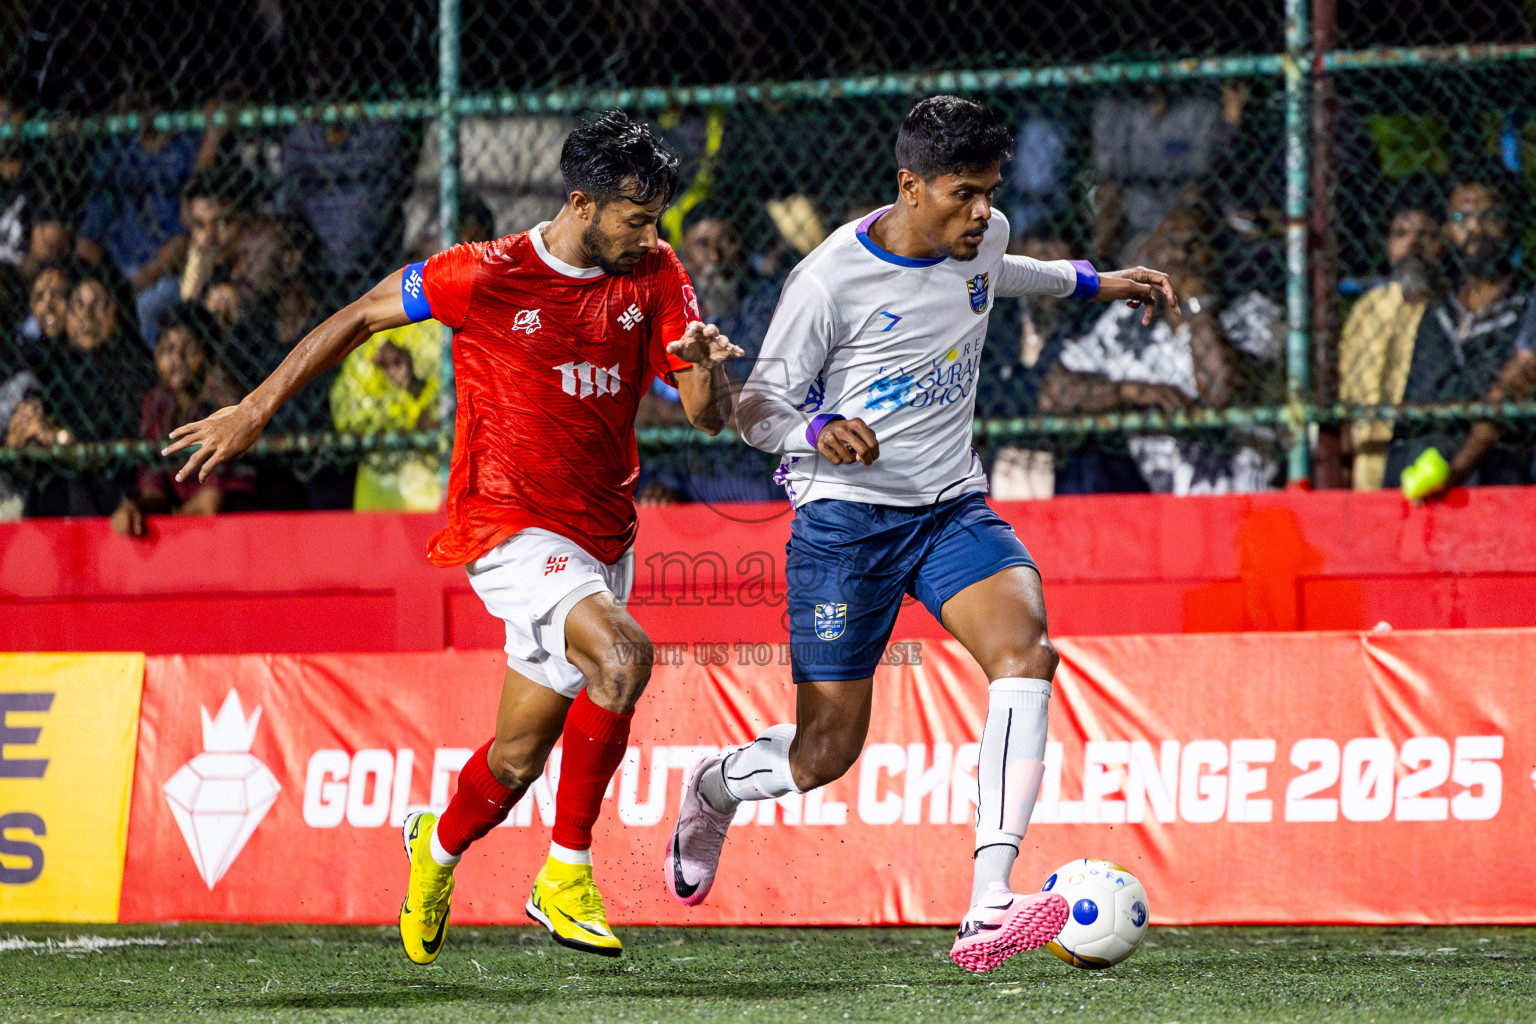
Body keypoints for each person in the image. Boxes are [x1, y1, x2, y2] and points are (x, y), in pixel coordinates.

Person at [164, 111, 740, 963]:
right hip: (505, 526)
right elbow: (360, 317)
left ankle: (433, 846)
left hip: (601, 538)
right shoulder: (485, 272)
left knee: (514, 759)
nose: (649, 233)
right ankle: (565, 875)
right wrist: (256, 407)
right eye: (634, 216)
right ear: (581, 202)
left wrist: (708, 363)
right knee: (622, 660)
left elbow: (705, 416)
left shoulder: (655, 272)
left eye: (655, 217)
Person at [662, 95, 1179, 975]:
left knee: (1027, 654)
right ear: (909, 185)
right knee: (823, 752)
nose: (981, 213)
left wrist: (1098, 279)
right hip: (844, 524)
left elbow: (999, 274)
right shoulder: (827, 281)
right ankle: (712, 791)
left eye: (989, 192)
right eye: (961, 195)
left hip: (950, 509)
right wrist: (814, 430)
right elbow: (752, 407)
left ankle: (988, 903)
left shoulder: (980, 234)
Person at [1387, 180, 1536, 493]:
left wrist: (1455, 471)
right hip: (1424, 472)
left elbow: (1511, 391)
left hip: (1502, 477)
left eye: (1491, 216)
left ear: (1511, 225)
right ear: (1445, 231)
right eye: (1461, 218)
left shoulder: (1524, 306)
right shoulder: (1437, 311)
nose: (1476, 229)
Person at [113, 303, 250, 536]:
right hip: (190, 525)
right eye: (167, 349)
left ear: (208, 353)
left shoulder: (225, 400)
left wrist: (167, 530)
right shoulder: (158, 403)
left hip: (242, 528)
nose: (176, 360)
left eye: (188, 349)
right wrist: (136, 509)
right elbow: (155, 491)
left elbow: (210, 505)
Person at [1337, 205, 1446, 490]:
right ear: (1388, 244)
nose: (1413, 245)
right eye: (1402, 234)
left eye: (1424, 235)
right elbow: (1348, 386)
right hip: (1370, 449)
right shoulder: (1369, 307)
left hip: (1427, 446)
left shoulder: (1449, 309)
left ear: (1440, 244)